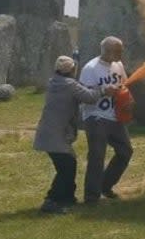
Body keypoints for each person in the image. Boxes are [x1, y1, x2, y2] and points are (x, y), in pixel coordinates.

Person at [33, 55, 120, 214]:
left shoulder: (55, 82)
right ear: (72, 70)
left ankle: (67, 197)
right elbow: (89, 97)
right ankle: (51, 201)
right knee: (66, 168)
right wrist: (104, 90)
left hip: (48, 132)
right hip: (56, 134)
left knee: (69, 164)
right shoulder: (69, 85)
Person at [78, 37, 132, 204]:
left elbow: (124, 84)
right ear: (107, 51)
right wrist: (102, 90)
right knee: (97, 156)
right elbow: (83, 96)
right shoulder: (90, 69)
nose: (122, 53)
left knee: (125, 151)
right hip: (96, 117)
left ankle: (105, 185)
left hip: (114, 116)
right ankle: (91, 198)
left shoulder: (118, 65)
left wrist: (128, 99)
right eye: (118, 50)